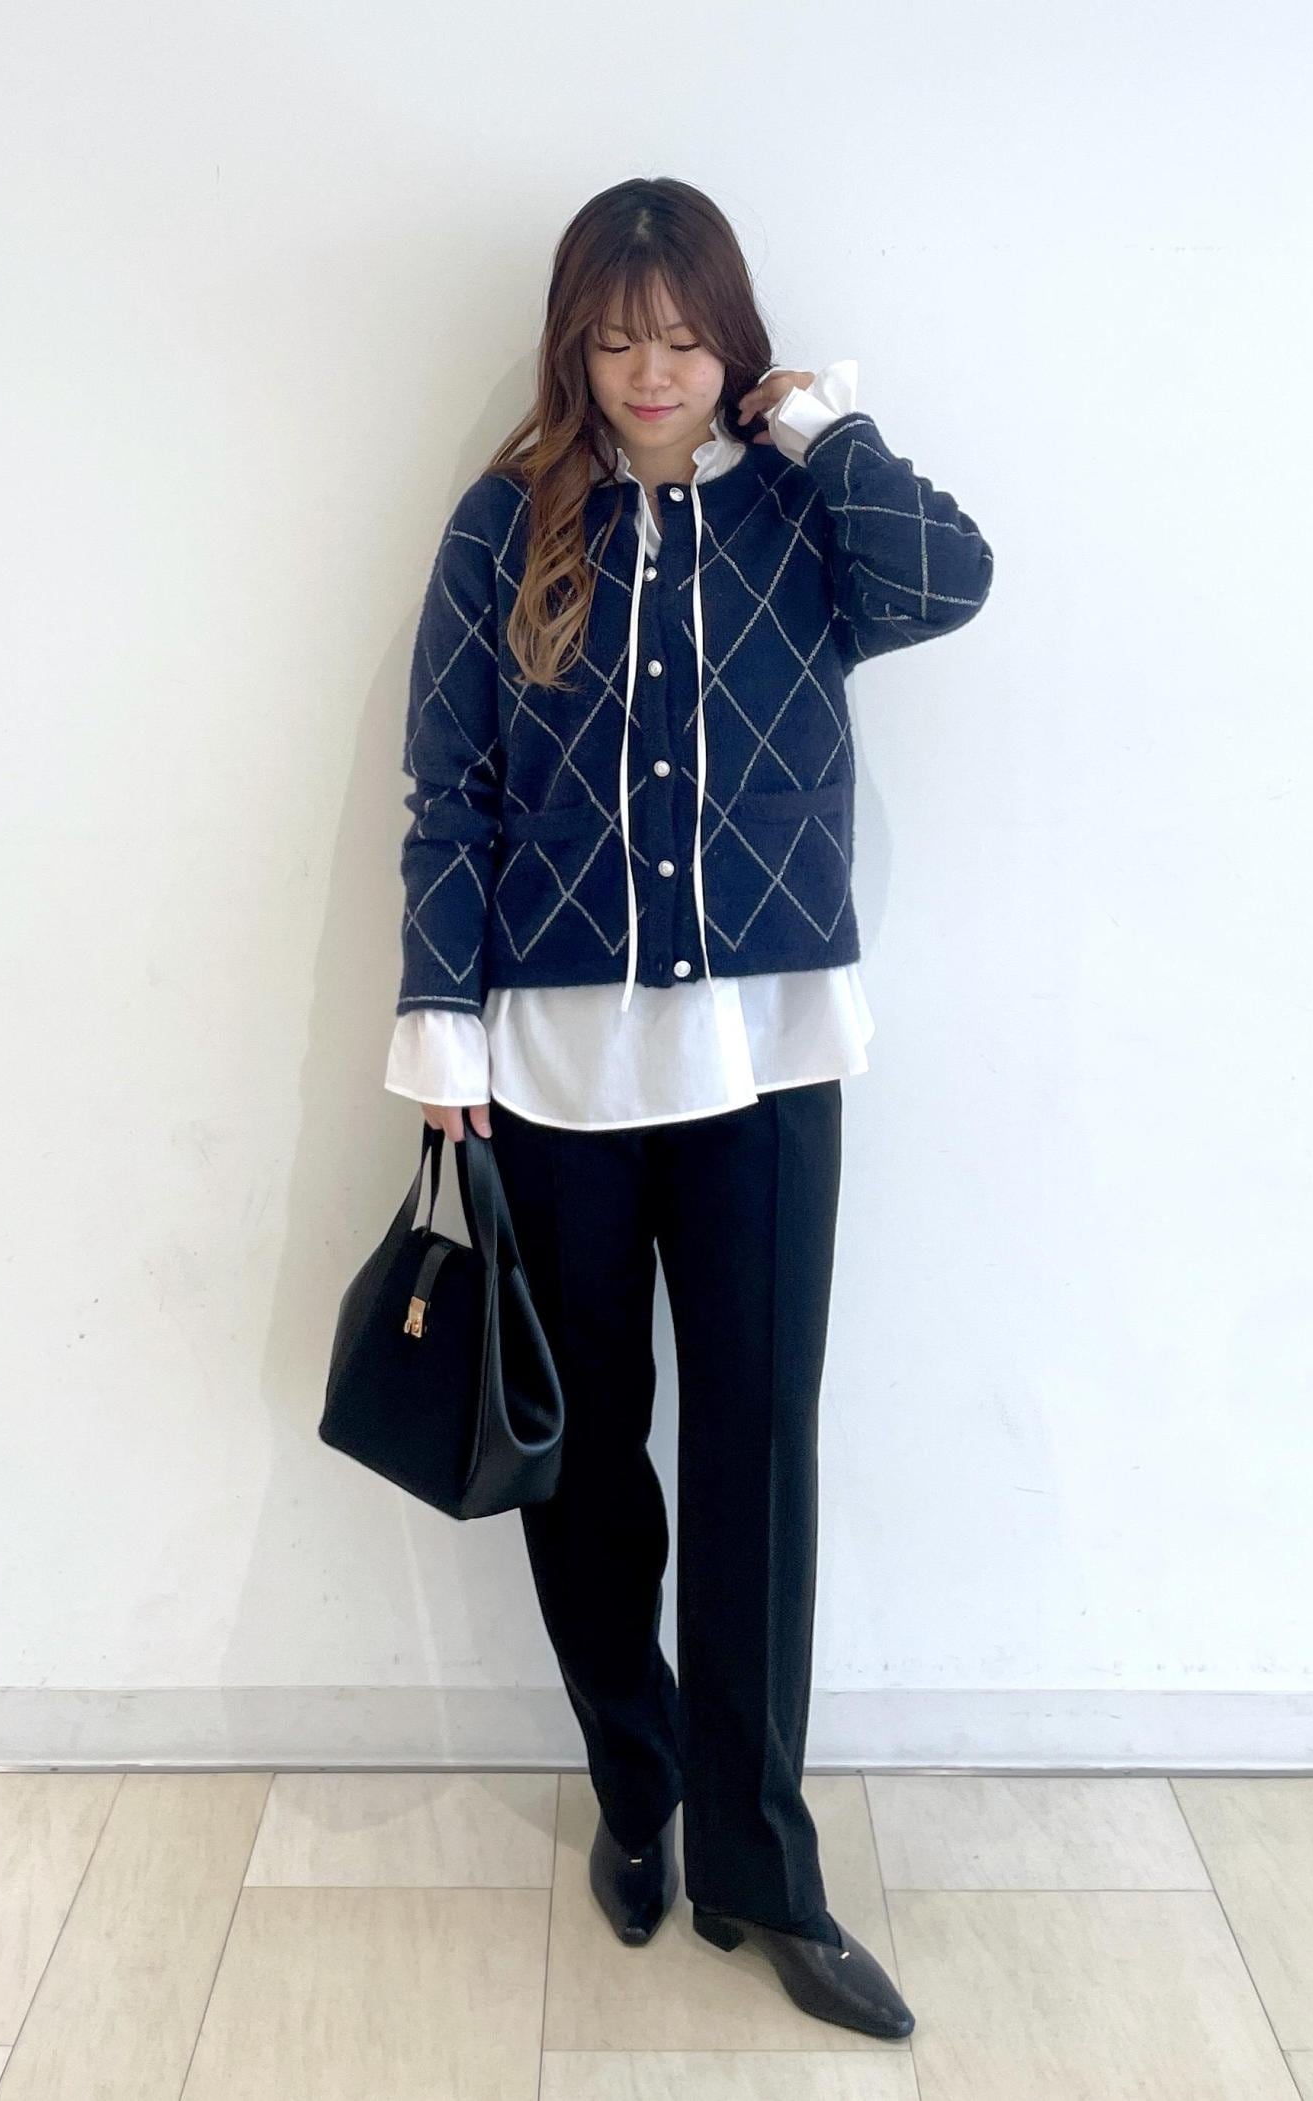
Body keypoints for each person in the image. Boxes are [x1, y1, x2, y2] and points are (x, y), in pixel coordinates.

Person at [385, 176, 993, 2040]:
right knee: (587, 1461)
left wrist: (823, 427)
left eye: (684, 337)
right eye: (615, 338)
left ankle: (761, 1862)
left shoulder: (804, 513)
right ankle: (636, 1786)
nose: (650, 372)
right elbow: (451, 793)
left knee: (758, 1458)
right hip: (556, 1078)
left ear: (732, 342)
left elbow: (950, 580)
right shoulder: (507, 525)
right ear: (574, 347)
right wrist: (441, 1032)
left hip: (769, 1067)